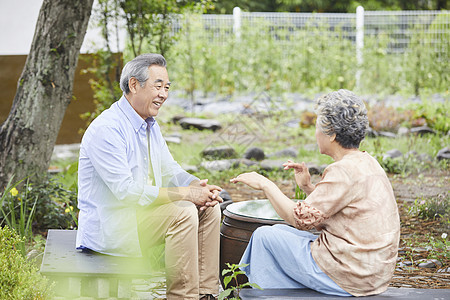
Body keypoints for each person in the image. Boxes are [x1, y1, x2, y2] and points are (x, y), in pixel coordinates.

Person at [76, 53, 222, 300]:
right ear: (134, 85)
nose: (163, 94)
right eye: (158, 86)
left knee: (208, 209)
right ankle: (182, 297)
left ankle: (205, 294)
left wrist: (197, 186)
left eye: (166, 87)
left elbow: (170, 170)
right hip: (111, 227)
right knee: (184, 212)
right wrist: (187, 195)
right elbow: (127, 192)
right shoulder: (107, 129)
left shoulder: (149, 124)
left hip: (138, 220)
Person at [230, 89, 400, 297]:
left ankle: (268, 295)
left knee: (264, 237)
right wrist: (308, 188)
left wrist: (266, 185)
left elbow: (299, 219)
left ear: (333, 134)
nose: (315, 133)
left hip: (352, 275)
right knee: (280, 233)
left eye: (318, 126)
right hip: (373, 272)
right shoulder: (366, 162)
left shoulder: (342, 170)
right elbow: (339, 213)